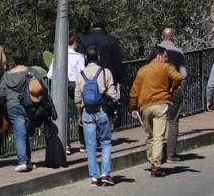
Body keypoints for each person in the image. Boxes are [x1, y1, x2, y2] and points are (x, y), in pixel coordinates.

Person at [129, 46, 184, 178]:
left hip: (145, 107)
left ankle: (151, 158)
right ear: (159, 56)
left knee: (150, 135)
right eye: (165, 56)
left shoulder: (142, 71)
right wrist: (172, 87)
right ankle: (156, 164)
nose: (166, 59)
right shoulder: (166, 67)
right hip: (161, 104)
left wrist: (133, 107)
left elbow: (134, 91)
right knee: (159, 136)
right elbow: (179, 77)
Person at [0, 48, 55, 173]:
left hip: (13, 105)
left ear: (14, 59)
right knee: (29, 132)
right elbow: (43, 86)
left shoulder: (6, 75)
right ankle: (27, 161)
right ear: (25, 59)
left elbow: (1, 93)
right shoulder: (32, 72)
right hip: (30, 105)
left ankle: (23, 162)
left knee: (19, 133)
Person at [73, 45, 120, 186]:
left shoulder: (80, 75)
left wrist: (79, 114)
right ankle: (105, 173)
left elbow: (77, 98)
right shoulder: (105, 72)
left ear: (86, 58)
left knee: (91, 145)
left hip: (87, 112)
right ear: (98, 57)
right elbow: (113, 94)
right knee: (105, 142)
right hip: (103, 111)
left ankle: (94, 177)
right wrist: (114, 110)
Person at [47, 34, 86, 150]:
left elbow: (50, 75)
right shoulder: (79, 57)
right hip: (77, 87)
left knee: (65, 116)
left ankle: (66, 144)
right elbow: (82, 73)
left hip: (62, 88)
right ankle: (83, 143)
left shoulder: (58, 56)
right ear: (75, 43)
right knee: (80, 114)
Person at [157, 28, 188, 162]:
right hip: (173, 89)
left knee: (158, 121)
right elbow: (183, 74)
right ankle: (171, 154)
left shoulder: (155, 52)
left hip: (157, 89)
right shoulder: (178, 52)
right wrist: (181, 89)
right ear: (172, 37)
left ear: (162, 36)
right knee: (173, 121)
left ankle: (157, 155)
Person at [80, 19, 125, 98]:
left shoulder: (84, 40)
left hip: (88, 79)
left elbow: (80, 60)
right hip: (107, 78)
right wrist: (118, 79)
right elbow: (117, 62)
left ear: (91, 25)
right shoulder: (111, 40)